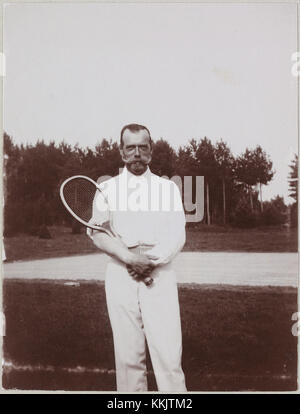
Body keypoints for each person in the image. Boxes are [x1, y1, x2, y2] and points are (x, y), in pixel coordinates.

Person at [89, 123, 187, 392]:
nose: (136, 154)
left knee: (168, 354)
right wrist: (130, 259)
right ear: (121, 152)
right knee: (128, 356)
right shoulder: (107, 189)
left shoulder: (168, 189)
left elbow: (177, 233)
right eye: (130, 147)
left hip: (160, 273)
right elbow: (98, 234)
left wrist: (151, 260)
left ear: (151, 151)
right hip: (121, 274)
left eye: (142, 147)